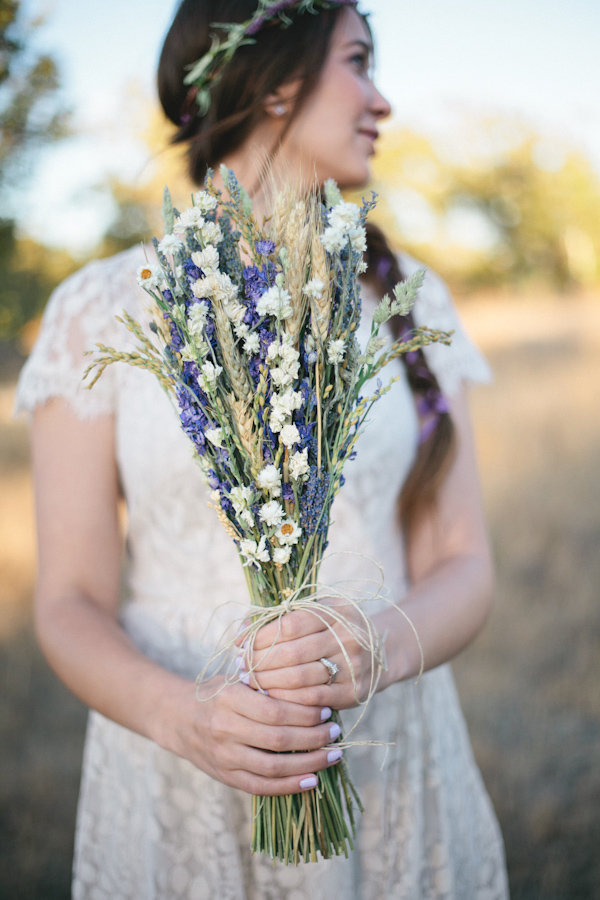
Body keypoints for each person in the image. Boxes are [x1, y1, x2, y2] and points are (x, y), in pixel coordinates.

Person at [15, 1, 510, 897]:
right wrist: (186, 718)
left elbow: (466, 562)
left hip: (391, 751)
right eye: (360, 61)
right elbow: (69, 601)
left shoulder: (409, 303)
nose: (382, 100)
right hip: (179, 768)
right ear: (277, 81)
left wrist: (380, 648)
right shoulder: (99, 309)